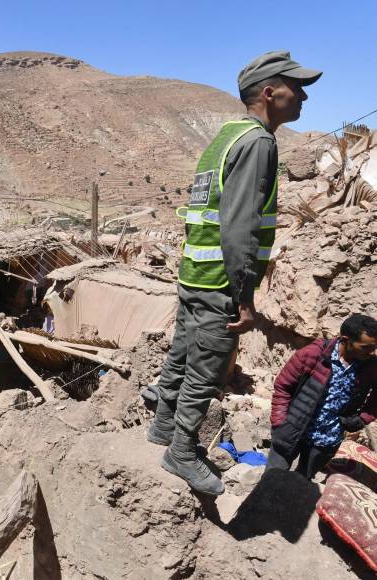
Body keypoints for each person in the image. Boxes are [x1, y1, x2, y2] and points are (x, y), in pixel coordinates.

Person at [145, 51, 322, 495]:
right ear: (269, 92)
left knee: (182, 356)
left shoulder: (225, 136)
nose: (302, 96)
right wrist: (244, 297)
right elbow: (240, 225)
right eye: (295, 87)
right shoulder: (259, 142)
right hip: (220, 284)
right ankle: (181, 451)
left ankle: (162, 427)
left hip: (193, 275)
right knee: (206, 371)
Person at [267, 314, 377, 479]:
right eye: (365, 347)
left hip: (326, 440)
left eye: (374, 347)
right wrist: (279, 422)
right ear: (346, 339)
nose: (372, 352)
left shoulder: (370, 366)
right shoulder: (313, 354)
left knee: (302, 482)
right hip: (292, 430)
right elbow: (283, 386)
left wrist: (361, 419)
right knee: (271, 479)